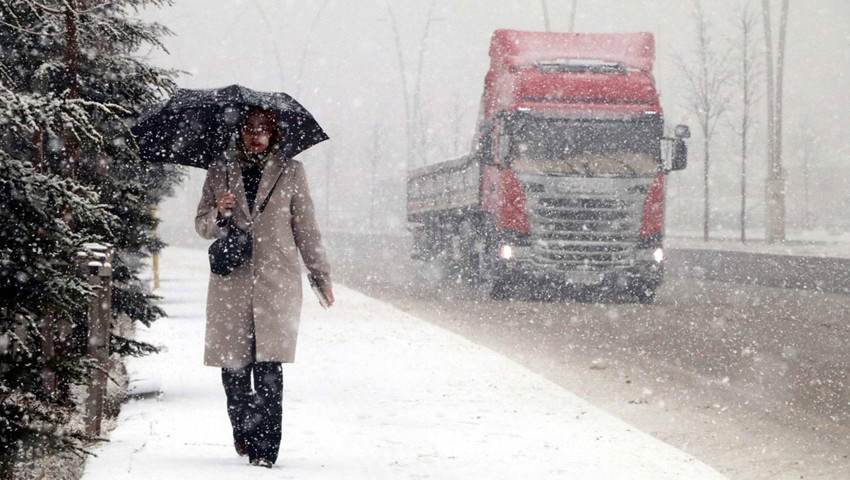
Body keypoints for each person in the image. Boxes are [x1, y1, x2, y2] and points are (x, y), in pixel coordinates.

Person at [195, 106, 334, 468]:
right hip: (232, 284)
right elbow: (201, 226)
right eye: (249, 129)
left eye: (263, 130)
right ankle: (242, 428)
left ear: (274, 135)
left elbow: (306, 228)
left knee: (270, 369)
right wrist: (220, 213)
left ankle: (265, 452)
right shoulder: (220, 170)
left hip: (277, 283)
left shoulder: (291, 172)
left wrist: (320, 276)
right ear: (240, 133)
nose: (255, 136)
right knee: (234, 370)